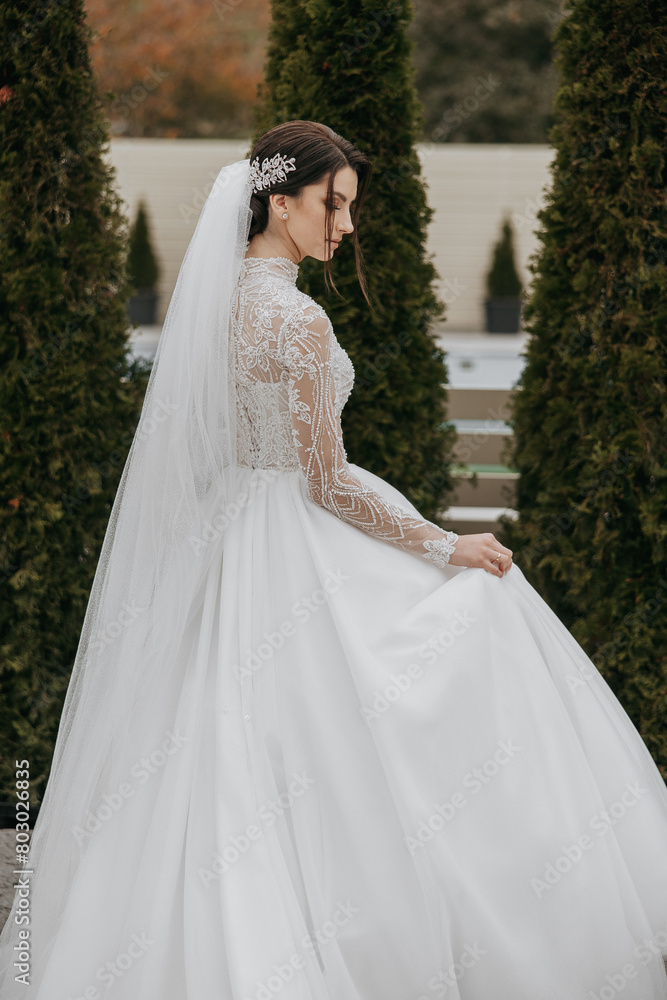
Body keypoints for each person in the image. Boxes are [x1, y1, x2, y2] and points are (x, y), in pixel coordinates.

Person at [1, 119, 666, 1000]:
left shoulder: (215, 304)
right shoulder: (298, 320)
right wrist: (443, 542)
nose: (345, 226)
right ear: (281, 202)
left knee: (214, 747)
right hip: (295, 539)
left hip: (228, 534)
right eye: (334, 205)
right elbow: (326, 482)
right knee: (474, 613)